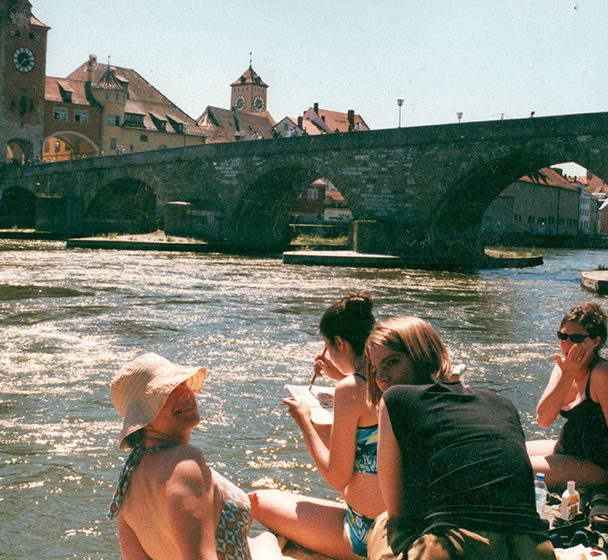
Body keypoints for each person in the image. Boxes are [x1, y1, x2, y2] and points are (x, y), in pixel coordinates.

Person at [365, 317, 555, 560]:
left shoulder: (395, 399)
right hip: (533, 549)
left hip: (454, 550)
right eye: (374, 368)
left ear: (421, 355)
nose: (380, 377)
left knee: (383, 523)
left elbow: (398, 512)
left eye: (391, 362)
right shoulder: (502, 404)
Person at [108, 352, 283, 560]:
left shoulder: (126, 485)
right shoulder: (184, 463)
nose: (185, 393)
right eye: (166, 392)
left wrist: (235, 521)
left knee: (266, 539)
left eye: (181, 383)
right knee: (269, 539)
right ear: (146, 418)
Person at [254, 291, 383, 560]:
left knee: (256, 502)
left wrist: (305, 422)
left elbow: (337, 477)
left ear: (339, 342)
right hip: (400, 525)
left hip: (366, 536)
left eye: (328, 344)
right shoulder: (390, 378)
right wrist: (341, 375)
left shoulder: (349, 389)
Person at [527, 303, 608, 525]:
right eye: (562, 336)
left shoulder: (601, 374)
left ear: (596, 341)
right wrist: (566, 375)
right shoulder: (563, 368)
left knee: (516, 465)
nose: (567, 343)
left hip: (595, 463)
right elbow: (543, 420)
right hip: (567, 447)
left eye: (576, 338)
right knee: (506, 449)